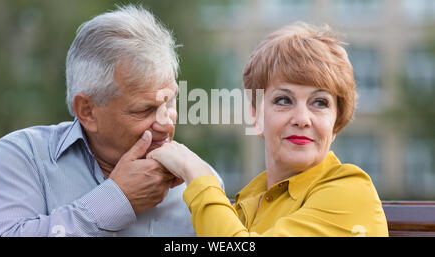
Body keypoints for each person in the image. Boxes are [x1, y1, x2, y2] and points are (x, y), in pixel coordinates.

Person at [0, 4, 222, 237]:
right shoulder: (26, 157)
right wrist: (116, 200)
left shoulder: (201, 181)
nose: (167, 123)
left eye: (170, 102)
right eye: (145, 110)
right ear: (87, 111)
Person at [147, 22, 389, 237]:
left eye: (320, 102)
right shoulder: (249, 203)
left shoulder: (351, 192)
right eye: (284, 100)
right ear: (256, 115)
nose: (302, 119)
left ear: (336, 122)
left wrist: (197, 174)